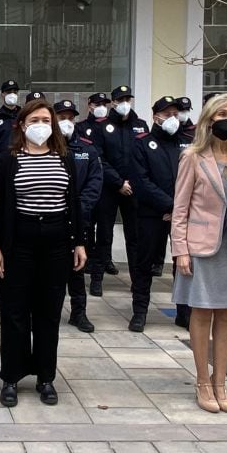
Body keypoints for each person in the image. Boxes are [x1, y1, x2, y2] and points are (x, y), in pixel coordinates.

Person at [0, 98, 87, 407]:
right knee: (15, 312)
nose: (41, 126)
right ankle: (12, 377)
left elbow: (74, 202)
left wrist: (80, 242)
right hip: (19, 244)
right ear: (21, 125)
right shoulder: (7, 160)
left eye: (46, 120)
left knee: (48, 313)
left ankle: (46, 377)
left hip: (56, 244)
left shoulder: (64, 157)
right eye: (34, 120)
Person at [171, 93, 227, 414]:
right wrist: (180, 250)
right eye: (223, 113)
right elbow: (179, 208)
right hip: (200, 247)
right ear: (209, 119)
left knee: (226, 314)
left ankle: (220, 381)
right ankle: (202, 381)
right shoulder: (193, 157)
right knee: (202, 313)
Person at [129, 96, 193, 332]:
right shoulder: (142, 143)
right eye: (167, 115)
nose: (172, 119)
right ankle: (140, 312)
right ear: (155, 116)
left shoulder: (188, 143)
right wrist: (170, 206)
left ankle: (184, 312)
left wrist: (178, 210)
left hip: (183, 216)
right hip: (152, 214)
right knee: (144, 264)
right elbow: (140, 181)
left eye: (176, 114)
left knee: (184, 264)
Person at [90, 84, 148, 298]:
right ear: (113, 102)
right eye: (120, 100)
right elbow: (99, 158)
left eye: (127, 99)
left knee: (134, 237)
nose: (124, 104)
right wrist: (118, 182)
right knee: (104, 235)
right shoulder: (102, 127)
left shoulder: (140, 126)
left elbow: (144, 158)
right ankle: (97, 279)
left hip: (133, 189)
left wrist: (132, 183)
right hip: (109, 188)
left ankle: (137, 280)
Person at [55, 99, 102, 332]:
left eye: (70, 118)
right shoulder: (46, 147)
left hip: (79, 219)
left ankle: (78, 312)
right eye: (61, 117)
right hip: (52, 218)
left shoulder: (86, 148)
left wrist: (79, 208)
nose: (66, 122)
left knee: (77, 267)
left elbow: (95, 182)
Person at [76, 92, 116, 278]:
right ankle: (89, 258)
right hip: (87, 184)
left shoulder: (113, 128)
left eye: (104, 103)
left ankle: (105, 259)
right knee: (87, 225)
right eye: (97, 103)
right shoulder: (81, 127)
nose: (101, 106)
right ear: (90, 105)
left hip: (109, 187)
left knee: (106, 228)